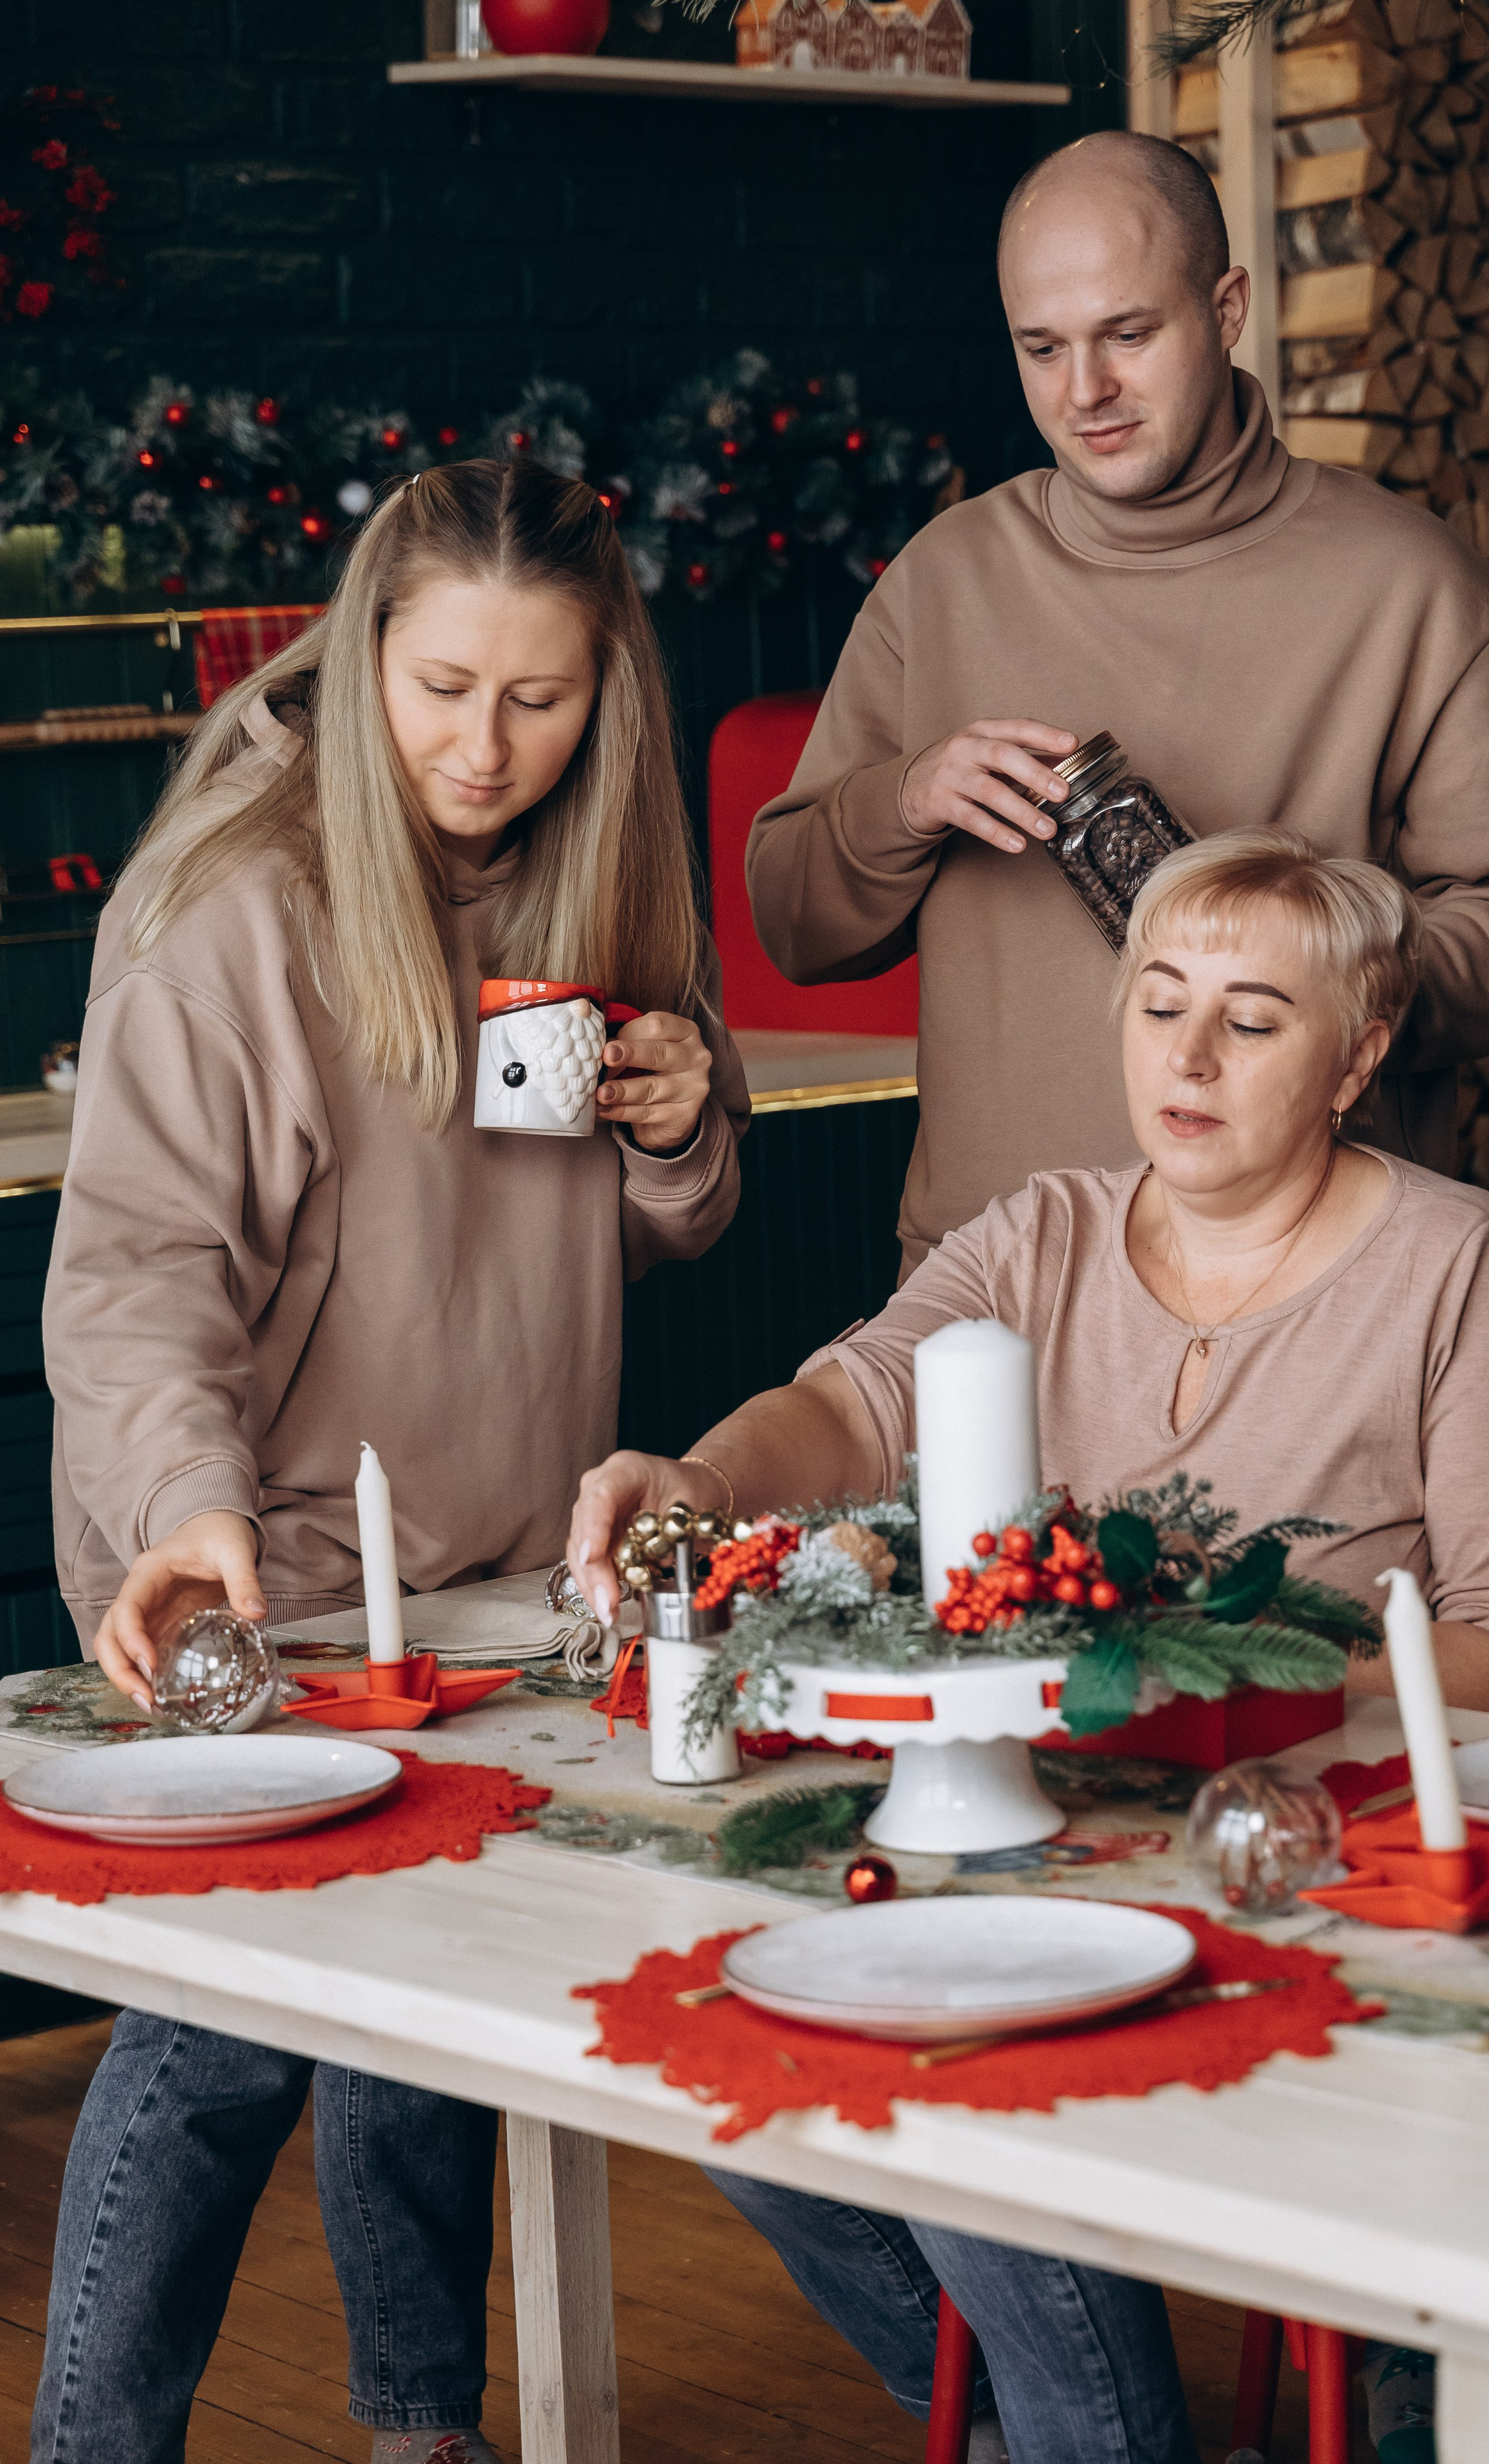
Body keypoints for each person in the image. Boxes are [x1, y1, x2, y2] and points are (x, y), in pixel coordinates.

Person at [569, 831, 1489, 2464]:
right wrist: (698, 1480)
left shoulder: (1454, 1265)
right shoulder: (1040, 1231)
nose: (1187, 1057)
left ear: (1355, 1061)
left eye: (1250, 1021)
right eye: (1158, 1003)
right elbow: (851, 1403)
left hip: (1320, 1874)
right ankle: (1048, 2417)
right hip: (1054, 1842)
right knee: (742, 2046)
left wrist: (1211, 1691)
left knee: (979, 2066)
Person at [36, 461, 747, 2464]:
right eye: (442, 689)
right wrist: (186, 1504)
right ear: (362, 657)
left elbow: (612, 1219)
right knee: (218, 2036)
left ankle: (423, 2425)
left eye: (541, 699)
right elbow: (140, 1274)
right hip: (252, 1554)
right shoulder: (236, 908)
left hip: (498, 1558)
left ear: (607, 694)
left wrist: (682, 1123)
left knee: (422, 2014)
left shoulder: (582, 868)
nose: (484, 749)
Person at [746, 130, 1489, 1281]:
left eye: (1129, 335)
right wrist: (905, 802)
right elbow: (792, 926)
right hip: (990, 1274)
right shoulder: (942, 579)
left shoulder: (1413, 587)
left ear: (1228, 307)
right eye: (1042, 348)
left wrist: (1324, 964)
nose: (1084, 392)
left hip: (1308, 1278)